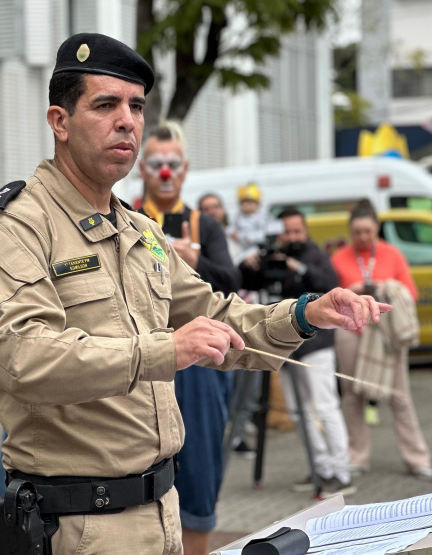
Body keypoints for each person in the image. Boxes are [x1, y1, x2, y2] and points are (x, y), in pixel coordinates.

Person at [0, 32, 389, 554]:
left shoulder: (140, 231)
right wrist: (168, 350)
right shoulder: (13, 228)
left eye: (136, 106)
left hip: (162, 512)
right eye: (106, 105)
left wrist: (304, 314)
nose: (127, 121)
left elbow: (215, 315)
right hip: (78, 525)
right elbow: (24, 358)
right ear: (60, 122)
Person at [138, 122, 239, 554]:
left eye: (173, 164)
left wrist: (193, 259)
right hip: (143, 359)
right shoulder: (122, 217)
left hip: (198, 368)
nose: (165, 172)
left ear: (185, 169)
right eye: (157, 163)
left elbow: (231, 283)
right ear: (142, 168)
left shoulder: (205, 225)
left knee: (198, 473)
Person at [241, 208, 354, 498]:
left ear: (305, 231)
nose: (292, 237)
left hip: (316, 345)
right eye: (286, 232)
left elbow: (329, 285)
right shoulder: (272, 258)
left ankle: (342, 473)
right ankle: (321, 468)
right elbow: (246, 283)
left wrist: (297, 267)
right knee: (296, 410)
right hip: (285, 346)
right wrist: (249, 265)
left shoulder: (315, 255)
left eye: (297, 231)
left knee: (325, 407)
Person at [331, 202, 432, 480]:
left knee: (399, 396)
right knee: (352, 396)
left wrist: (385, 287)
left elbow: (411, 293)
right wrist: (351, 290)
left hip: (386, 334)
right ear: (350, 231)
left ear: (377, 228)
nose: (363, 237)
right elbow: (328, 299)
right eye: (357, 232)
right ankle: (357, 457)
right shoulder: (339, 258)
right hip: (351, 332)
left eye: (368, 231)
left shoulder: (392, 254)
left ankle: (418, 459)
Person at [230, 183, 269, 263]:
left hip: (256, 248)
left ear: (257, 204)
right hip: (240, 246)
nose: (248, 205)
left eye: (251, 202)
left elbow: (264, 234)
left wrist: (248, 237)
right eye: (245, 202)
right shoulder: (239, 216)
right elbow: (232, 227)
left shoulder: (262, 217)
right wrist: (231, 232)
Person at [200, 192, 242, 266]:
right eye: (206, 209)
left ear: (223, 209)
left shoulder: (236, 232)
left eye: (216, 207)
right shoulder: (198, 242)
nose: (212, 212)